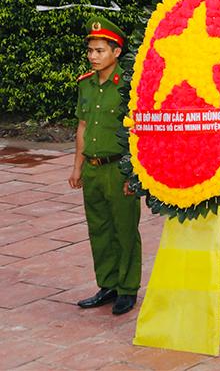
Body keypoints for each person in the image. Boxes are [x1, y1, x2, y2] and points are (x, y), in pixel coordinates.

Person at [71, 16, 141, 316]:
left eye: (100, 50)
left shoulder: (129, 84)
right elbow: (83, 127)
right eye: (90, 50)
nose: (93, 56)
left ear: (116, 51)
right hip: (93, 167)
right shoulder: (85, 84)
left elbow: (139, 129)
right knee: (98, 228)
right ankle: (108, 284)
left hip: (118, 168)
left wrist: (134, 172)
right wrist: (77, 168)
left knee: (124, 229)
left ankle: (127, 289)